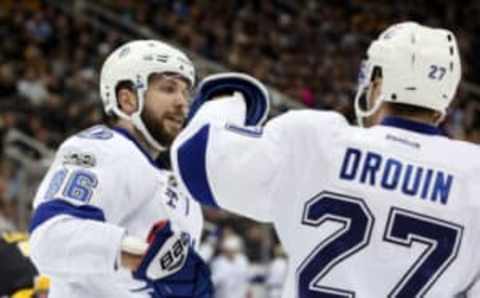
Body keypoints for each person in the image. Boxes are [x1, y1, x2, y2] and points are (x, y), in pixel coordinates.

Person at [170, 22, 480, 297]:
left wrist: (231, 97)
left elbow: (195, 163)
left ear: (377, 84)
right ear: (444, 101)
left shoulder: (316, 139)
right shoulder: (473, 172)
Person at [29, 40, 212, 297]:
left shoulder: (179, 190)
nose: (183, 103)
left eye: (185, 92)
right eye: (168, 89)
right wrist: (142, 257)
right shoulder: (102, 148)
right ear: (127, 100)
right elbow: (50, 238)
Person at [210, 234, 250, 298]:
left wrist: (248, 290)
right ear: (224, 251)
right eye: (229, 251)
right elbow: (213, 281)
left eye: (234, 251)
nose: (232, 253)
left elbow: (246, 277)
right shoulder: (218, 262)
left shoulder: (242, 260)